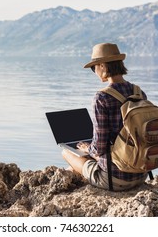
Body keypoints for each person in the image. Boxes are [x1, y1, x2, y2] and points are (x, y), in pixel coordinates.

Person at [62, 43, 148, 191]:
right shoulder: (138, 92)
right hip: (141, 173)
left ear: (102, 66)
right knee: (86, 157)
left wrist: (88, 148)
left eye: (93, 67)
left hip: (114, 180)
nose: (94, 71)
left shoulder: (102, 97)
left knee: (67, 153)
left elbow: (99, 148)